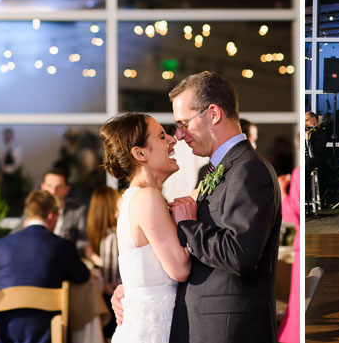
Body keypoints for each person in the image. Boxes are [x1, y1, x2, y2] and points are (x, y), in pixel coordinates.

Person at [114, 71, 282, 343]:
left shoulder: (249, 169)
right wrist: (134, 287)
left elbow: (240, 255)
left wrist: (189, 226)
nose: (178, 136)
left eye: (183, 123)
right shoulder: (219, 170)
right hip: (202, 325)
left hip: (227, 329)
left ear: (213, 114)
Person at [100, 113, 191, 342]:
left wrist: (125, 289)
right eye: (162, 136)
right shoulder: (147, 198)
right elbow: (179, 270)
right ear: (140, 154)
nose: (172, 140)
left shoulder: (135, 198)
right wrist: (190, 223)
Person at [0, 190, 90, 343]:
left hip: (4, 335)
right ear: (51, 216)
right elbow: (83, 276)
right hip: (48, 335)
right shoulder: (62, 247)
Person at [86, 186, 121, 338]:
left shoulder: (99, 238)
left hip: (102, 304)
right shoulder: (113, 237)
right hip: (115, 302)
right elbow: (112, 282)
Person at [40, 168, 89, 256]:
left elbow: (83, 243)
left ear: (67, 189)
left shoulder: (78, 211)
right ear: (42, 187)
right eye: (49, 186)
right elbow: (17, 234)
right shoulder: (35, 208)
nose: (53, 191)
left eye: (58, 187)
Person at [278, 167, 300, 343]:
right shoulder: (298, 173)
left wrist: (281, 191)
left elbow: (291, 214)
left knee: (296, 308)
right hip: (298, 247)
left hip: (299, 247)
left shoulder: (299, 173)